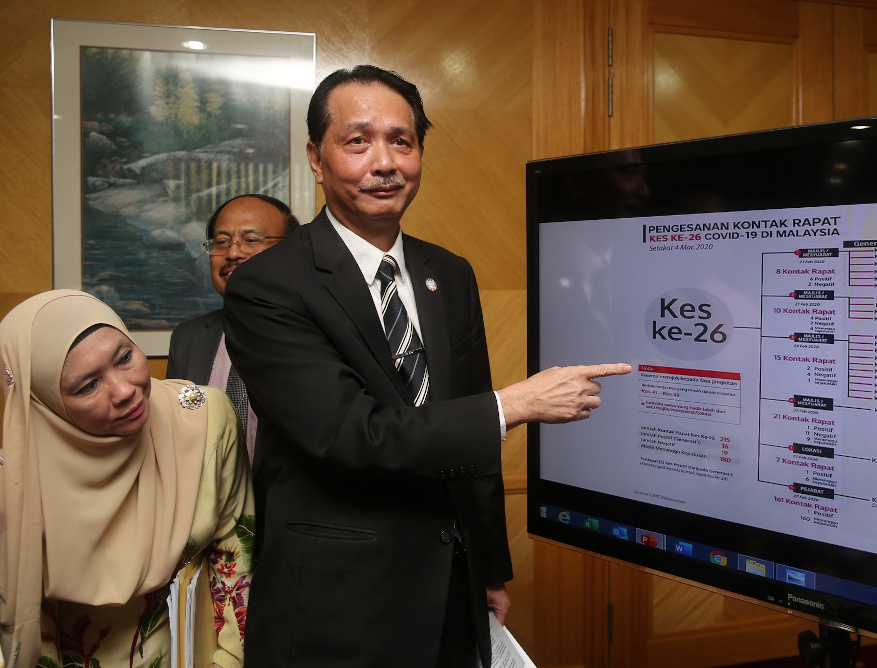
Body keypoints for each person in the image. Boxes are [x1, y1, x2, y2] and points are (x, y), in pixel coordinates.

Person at [223, 65, 631, 668]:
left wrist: (489, 567)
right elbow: (349, 435)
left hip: (450, 584)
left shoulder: (450, 273)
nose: (385, 162)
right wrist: (516, 403)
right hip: (339, 603)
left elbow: (471, 442)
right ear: (316, 158)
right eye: (358, 141)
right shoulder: (269, 285)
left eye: (402, 141)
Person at [0, 290, 254, 668]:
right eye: (88, 386)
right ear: (45, 402)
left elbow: (237, 566)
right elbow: (32, 624)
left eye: (125, 358)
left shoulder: (204, 421)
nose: (124, 390)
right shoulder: (16, 481)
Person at [167, 194, 300, 463]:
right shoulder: (188, 338)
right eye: (221, 242)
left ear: (292, 251)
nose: (233, 253)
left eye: (251, 240)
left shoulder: (321, 331)